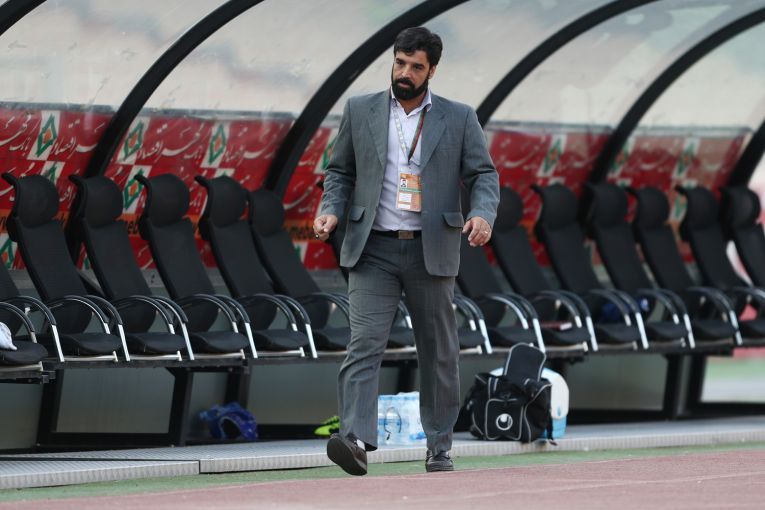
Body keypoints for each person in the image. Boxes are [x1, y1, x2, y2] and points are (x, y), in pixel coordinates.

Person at [313, 26, 499, 475]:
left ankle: (439, 445)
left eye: (416, 67)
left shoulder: (459, 117)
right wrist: (330, 210)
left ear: (432, 70)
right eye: (400, 63)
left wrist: (482, 215)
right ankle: (354, 440)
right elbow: (339, 172)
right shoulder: (361, 109)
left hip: (429, 250)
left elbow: (483, 175)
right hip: (372, 248)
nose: (405, 73)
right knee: (363, 344)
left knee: (438, 351)